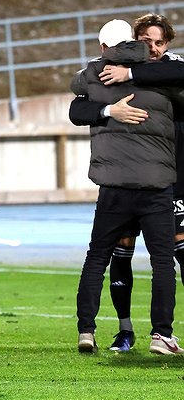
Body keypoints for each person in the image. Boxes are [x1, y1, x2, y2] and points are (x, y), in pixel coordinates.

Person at [69, 19, 184, 355]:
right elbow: (77, 107)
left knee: (98, 257)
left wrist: (118, 86)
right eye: (146, 41)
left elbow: (75, 95)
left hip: (118, 186)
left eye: (158, 42)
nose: (152, 48)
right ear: (134, 40)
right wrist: (109, 108)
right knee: (160, 261)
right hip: (156, 183)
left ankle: (86, 330)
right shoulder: (164, 81)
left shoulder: (96, 71)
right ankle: (157, 334)